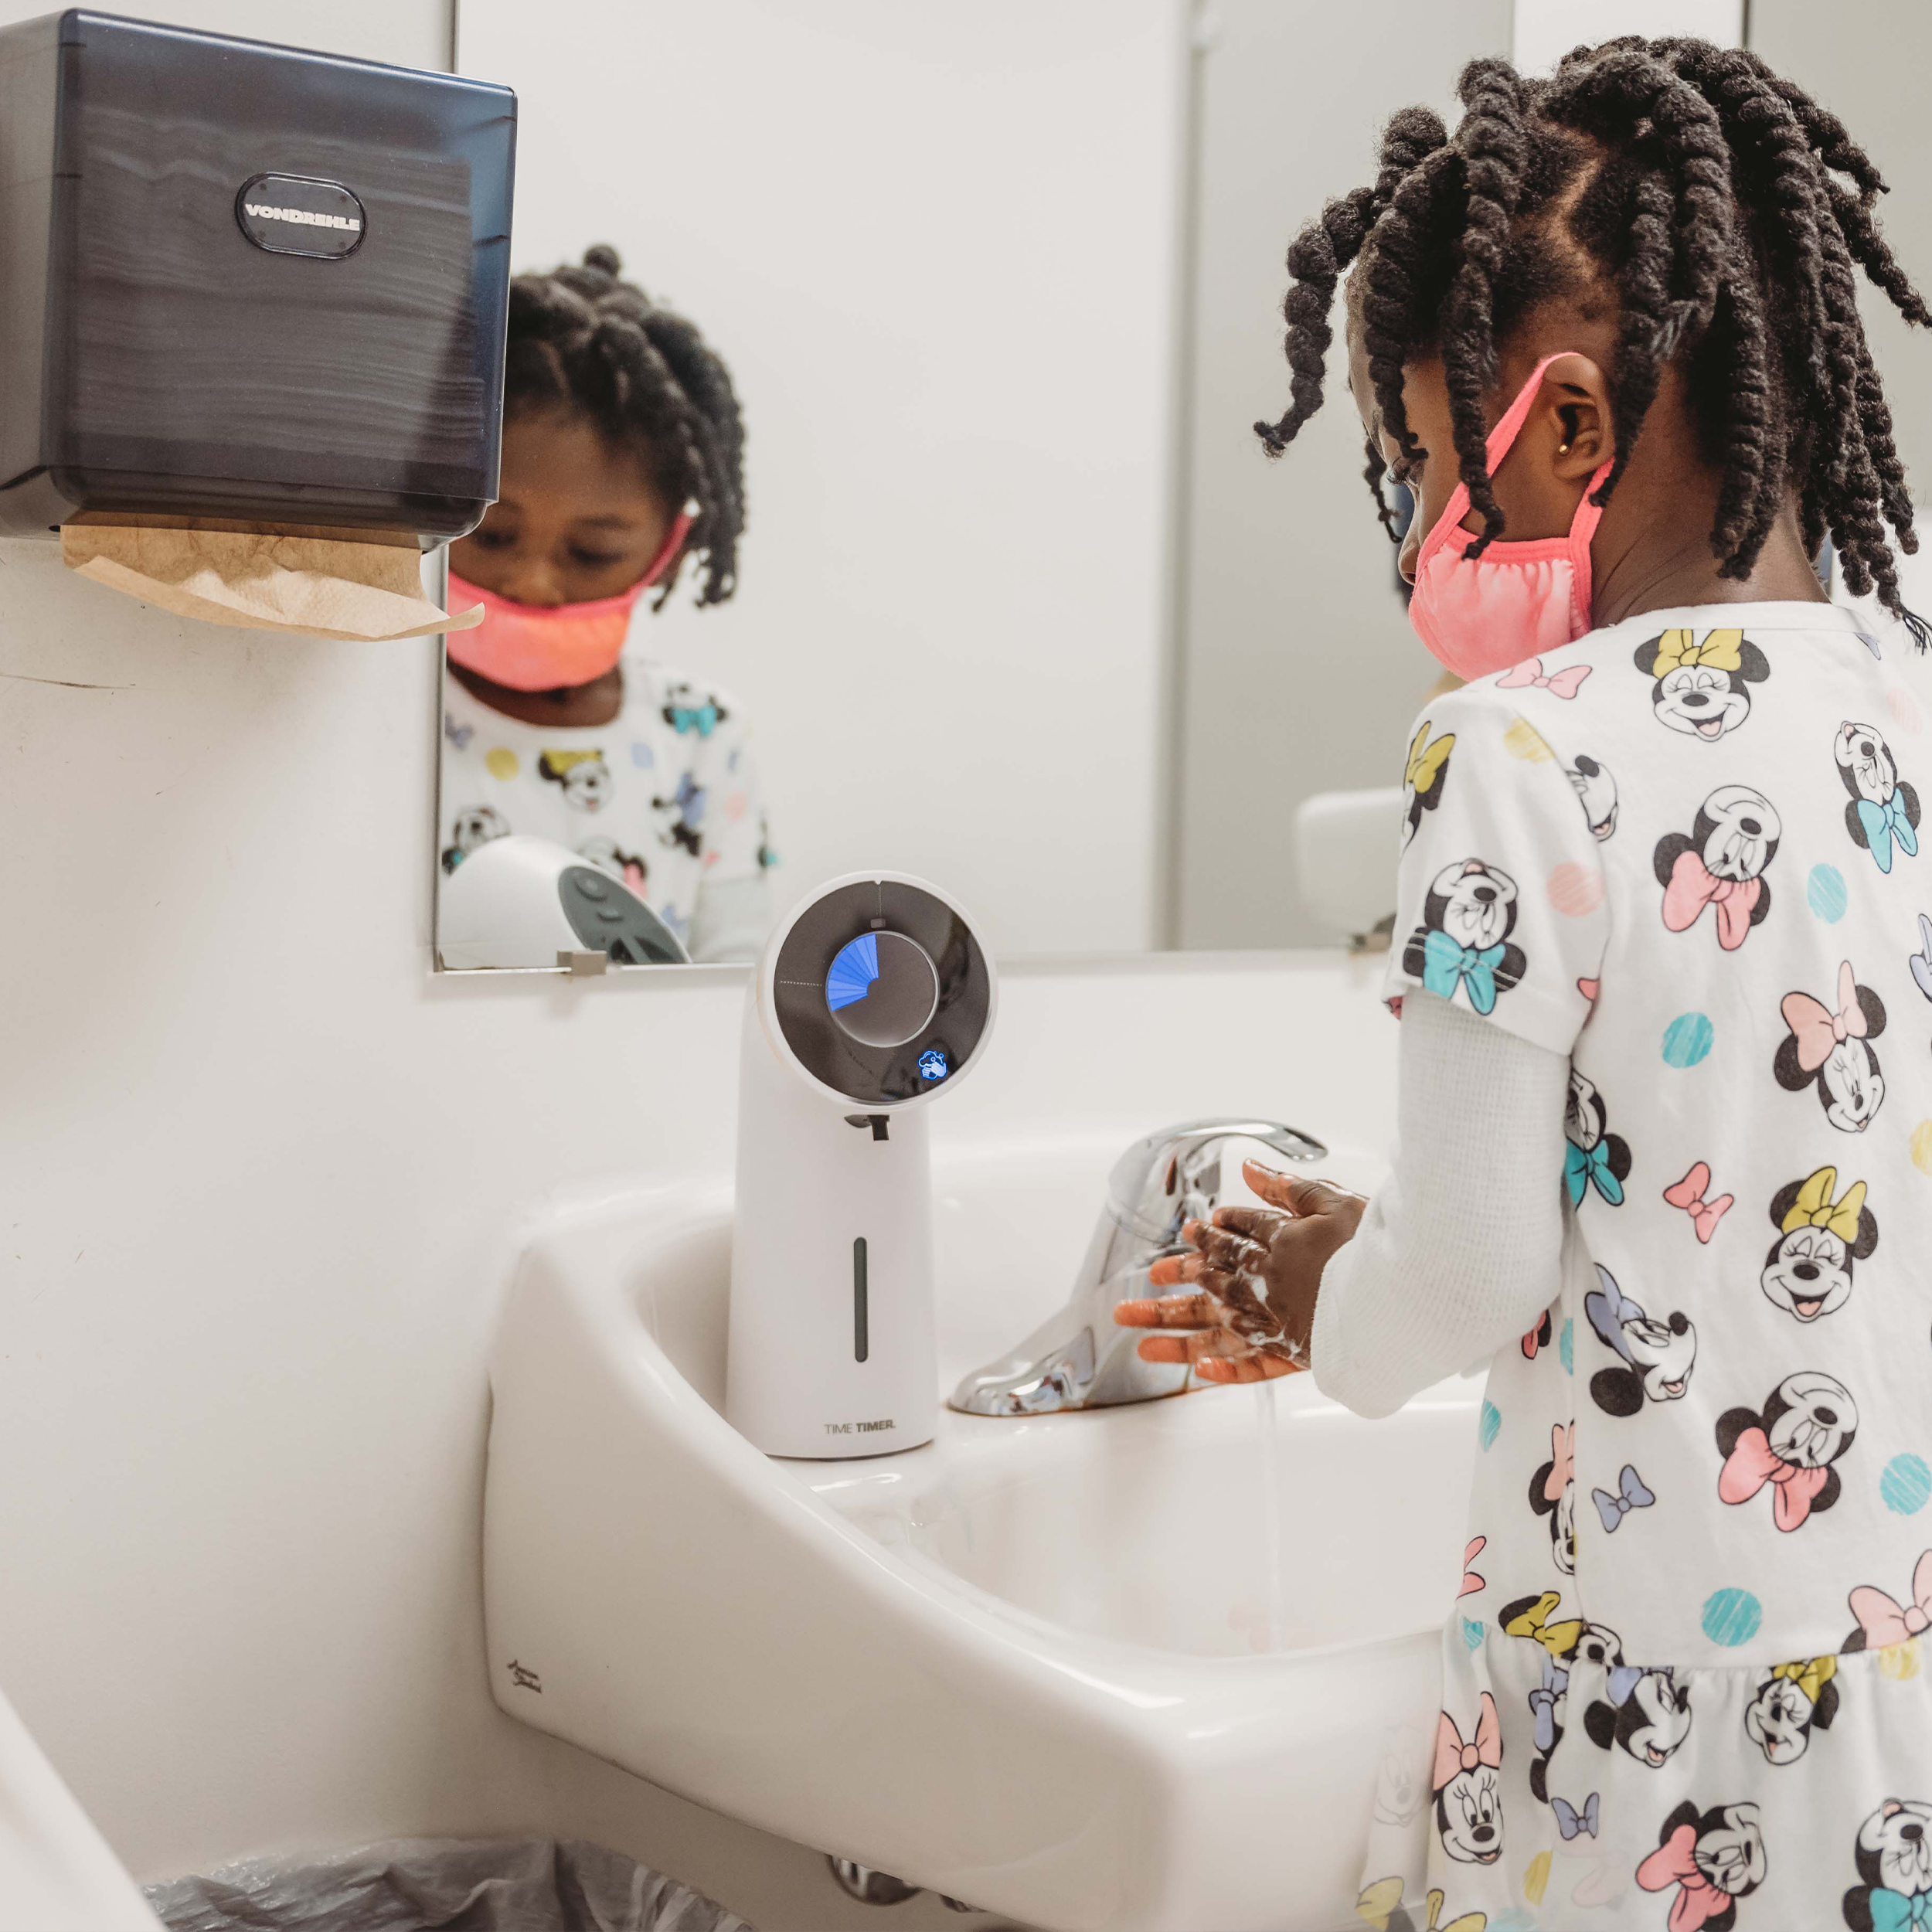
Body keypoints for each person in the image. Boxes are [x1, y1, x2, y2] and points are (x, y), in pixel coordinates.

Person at [1117, 39, 1932, 1929]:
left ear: (1567, 429)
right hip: (1881, 1678)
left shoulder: (1511, 749)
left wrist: (1330, 1289)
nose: (1418, 523)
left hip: (1632, 1717)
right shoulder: (1905, 691)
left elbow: (1474, 1268)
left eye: (1418, 460)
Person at [439, 246, 771, 964]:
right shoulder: (377, 730)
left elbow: (732, 979)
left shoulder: (702, 736)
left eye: (592, 554)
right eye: (492, 534)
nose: (533, 584)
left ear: (668, 552)